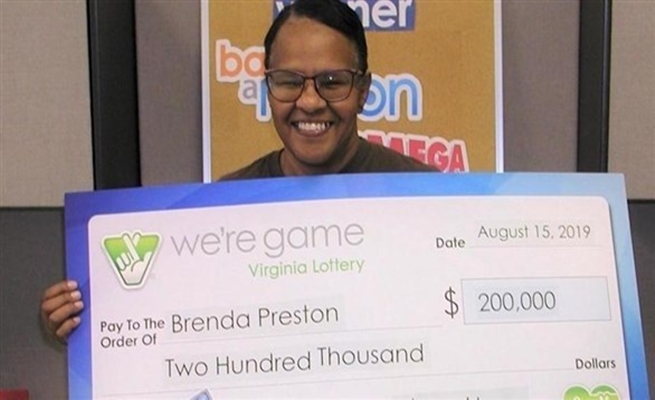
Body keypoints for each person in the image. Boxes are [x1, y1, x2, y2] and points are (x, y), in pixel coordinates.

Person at [40, 0, 437, 344]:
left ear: (364, 91)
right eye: (289, 81)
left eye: (333, 82)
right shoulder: (220, 211)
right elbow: (165, 322)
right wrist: (84, 320)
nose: (310, 102)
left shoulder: (430, 199)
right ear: (268, 89)